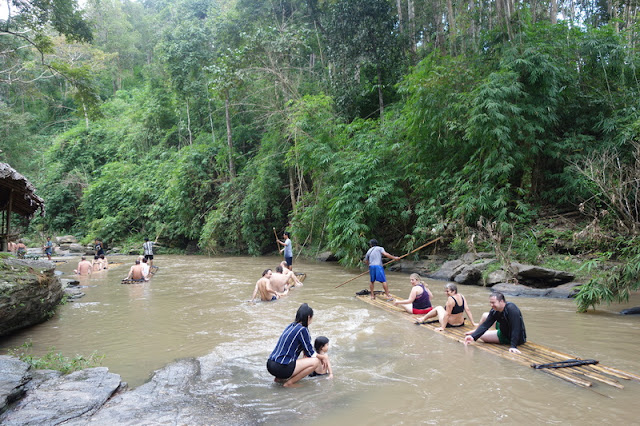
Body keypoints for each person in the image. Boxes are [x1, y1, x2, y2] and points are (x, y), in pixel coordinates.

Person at [267, 303, 328, 387]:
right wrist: (323, 357)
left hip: (270, 364)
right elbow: (310, 353)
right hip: (281, 367)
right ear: (309, 317)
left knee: (293, 360)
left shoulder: (291, 326)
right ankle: (289, 383)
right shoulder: (302, 329)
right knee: (316, 362)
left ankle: (279, 379)